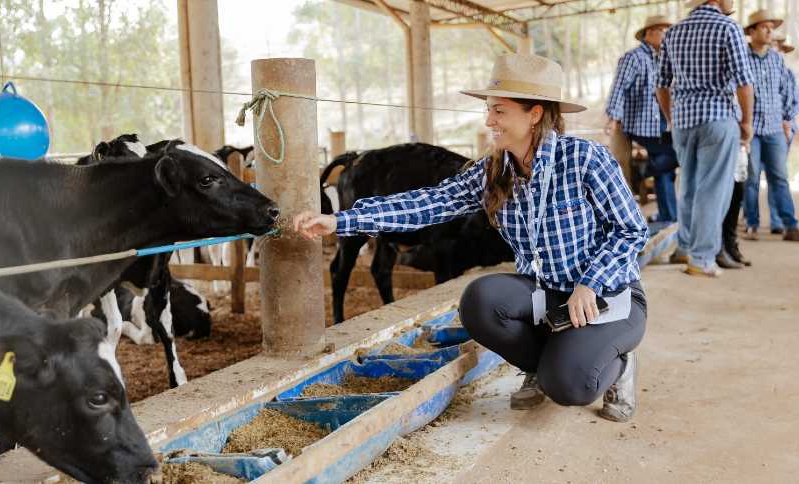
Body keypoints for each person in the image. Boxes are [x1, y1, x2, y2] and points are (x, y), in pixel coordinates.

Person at [294, 54, 649, 423]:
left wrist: (590, 284)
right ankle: (544, 362)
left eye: (499, 111)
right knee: (479, 301)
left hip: (607, 296)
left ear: (535, 114)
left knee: (568, 386)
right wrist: (340, 221)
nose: (488, 120)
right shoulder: (493, 170)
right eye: (488, 109)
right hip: (546, 295)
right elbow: (428, 203)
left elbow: (632, 230)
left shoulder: (586, 159)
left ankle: (617, 368)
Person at [655, 0, 755, 277]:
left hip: (683, 121)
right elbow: (744, 82)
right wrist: (747, 121)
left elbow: (661, 84)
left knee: (687, 185)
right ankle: (701, 258)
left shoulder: (673, 32)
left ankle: (684, 247)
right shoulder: (727, 27)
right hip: (717, 117)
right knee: (713, 188)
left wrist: (672, 118)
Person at [741, 10, 799, 242]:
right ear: (751, 32)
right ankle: (751, 223)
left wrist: (787, 120)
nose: (770, 31)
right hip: (749, 129)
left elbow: (786, 91)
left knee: (779, 177)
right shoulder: (741, 57)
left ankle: (790, 225)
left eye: (772, 27)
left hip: (774, 128)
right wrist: (740, 124)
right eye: (764, 27)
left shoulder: (776, 59)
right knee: (751, 179)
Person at [606, 15, 678, 224]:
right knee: (665, 164)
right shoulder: (634, 57)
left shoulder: (666, 58)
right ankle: (667, 216)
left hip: (663, 126)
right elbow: (619, 87)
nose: (666, 35)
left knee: (665, 169)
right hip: (641, 126)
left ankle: (667, 215)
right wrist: (613, 117)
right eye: (663, 30)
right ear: (649, 33)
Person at [767, 34, 799, 234]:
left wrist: (786, 121)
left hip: (783, 127)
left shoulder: (788, 73)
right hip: (761, 127)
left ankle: (777, 219)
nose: (775, 50)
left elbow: (793, 101)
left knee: (777, 174)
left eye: (778, 47)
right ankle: (752, 218)